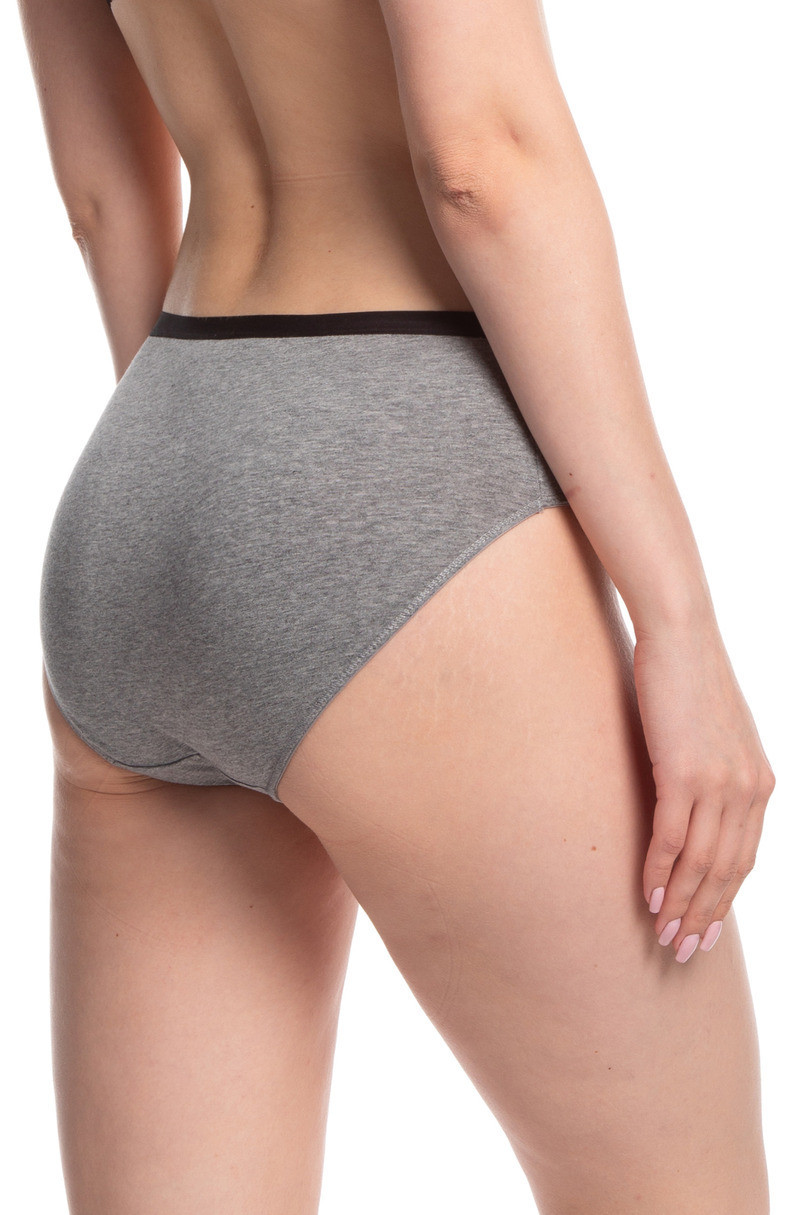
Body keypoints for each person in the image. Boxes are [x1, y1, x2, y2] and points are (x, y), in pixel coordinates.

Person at [19, 0, 776, 1211]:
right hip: (400, 462)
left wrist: (221, 501)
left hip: (150, 461)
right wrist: (679, 623)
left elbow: (102, 193)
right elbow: (482, 159)